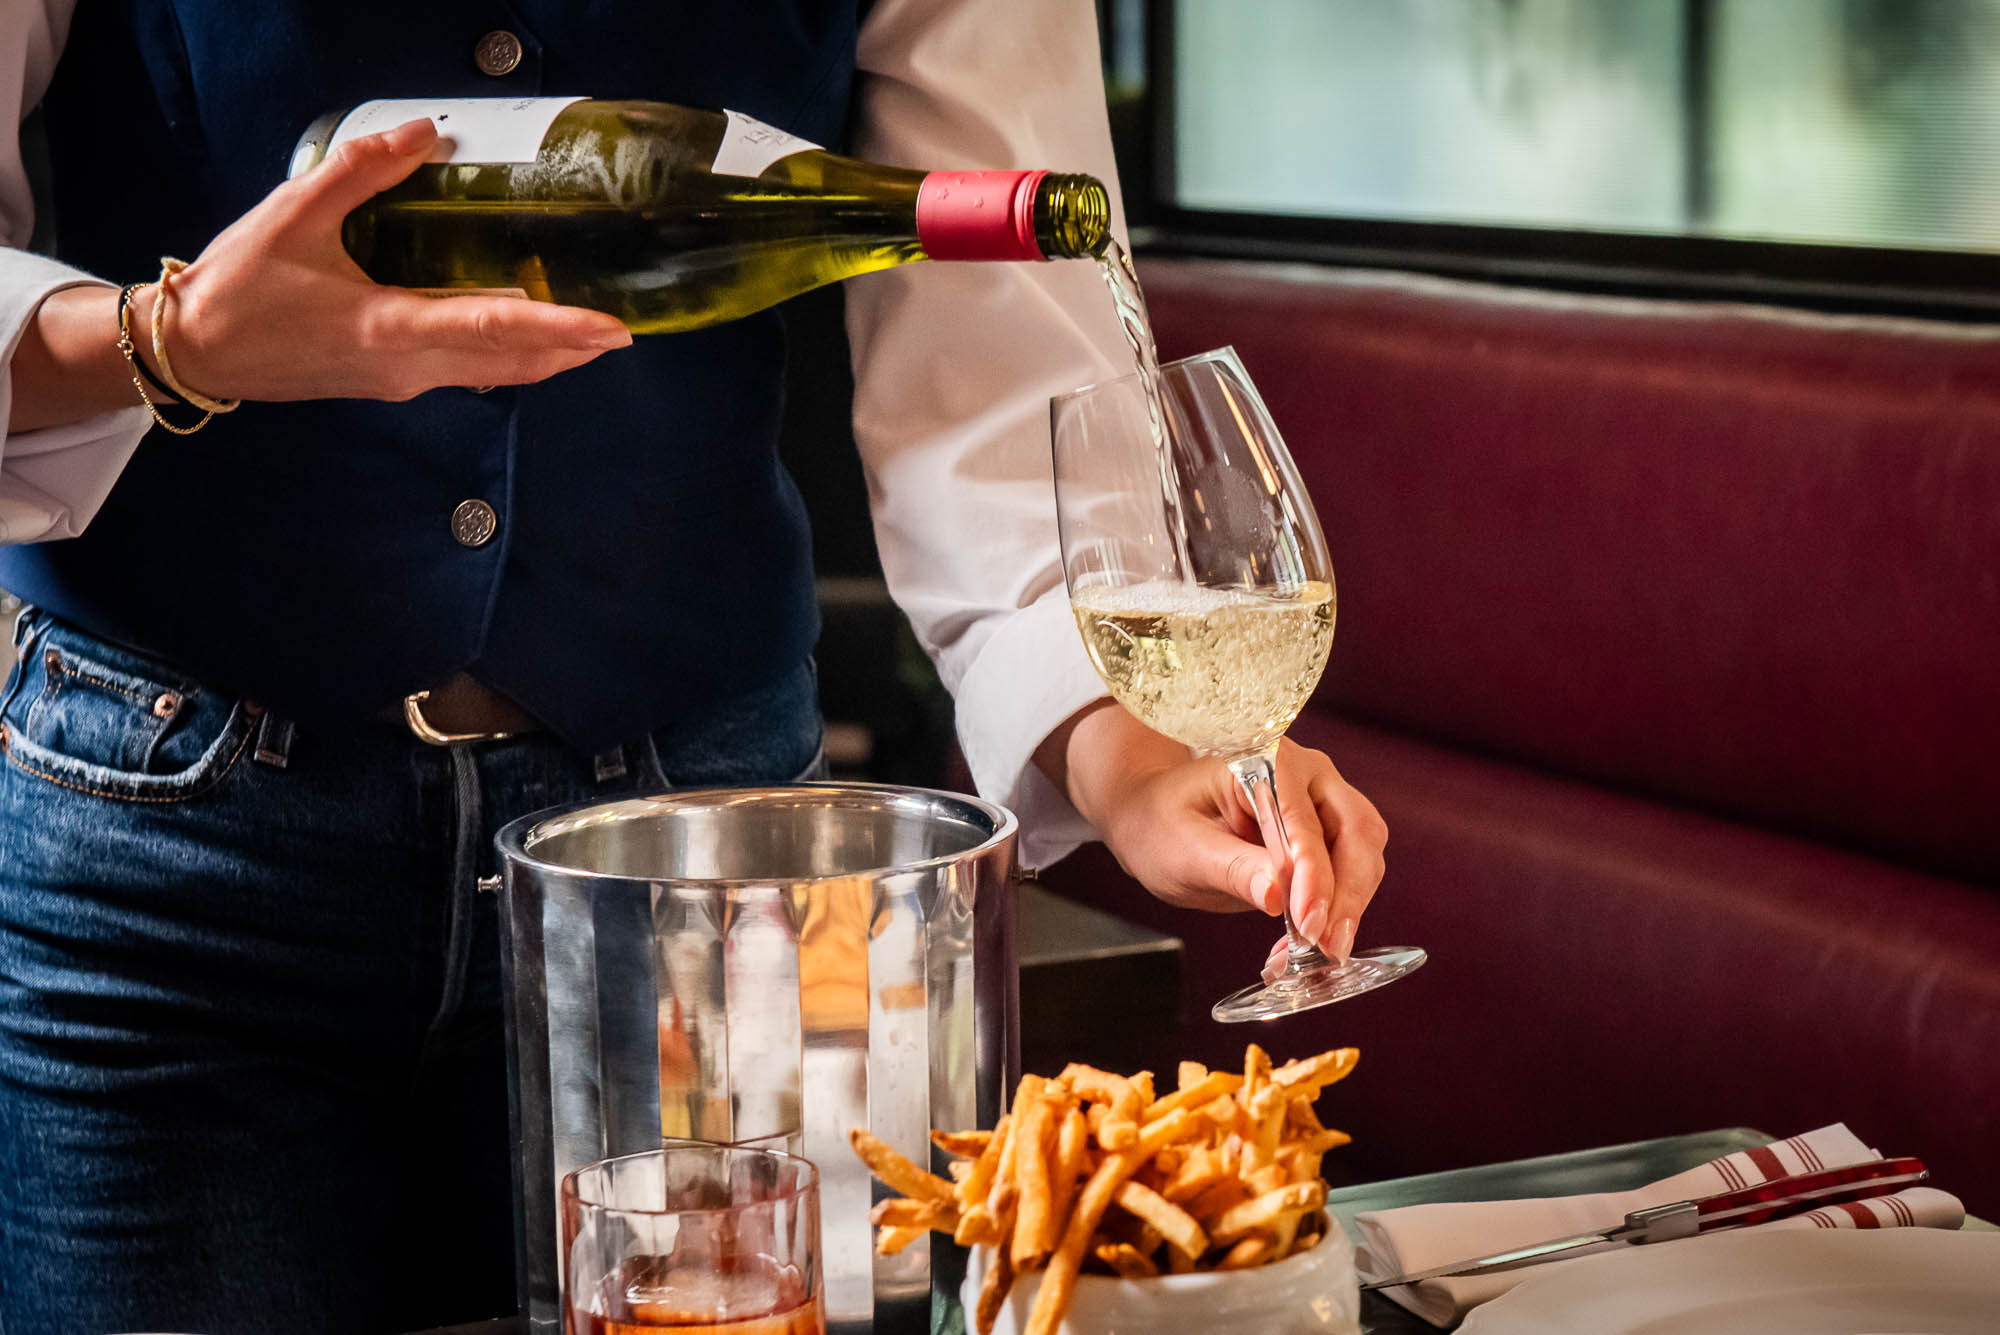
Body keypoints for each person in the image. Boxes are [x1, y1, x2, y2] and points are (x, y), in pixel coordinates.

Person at [0, 1, 1387, 1331]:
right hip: (172, 865)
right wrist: (167, 342)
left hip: (717, 860)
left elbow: (1009, 332)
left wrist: (1132, 752)